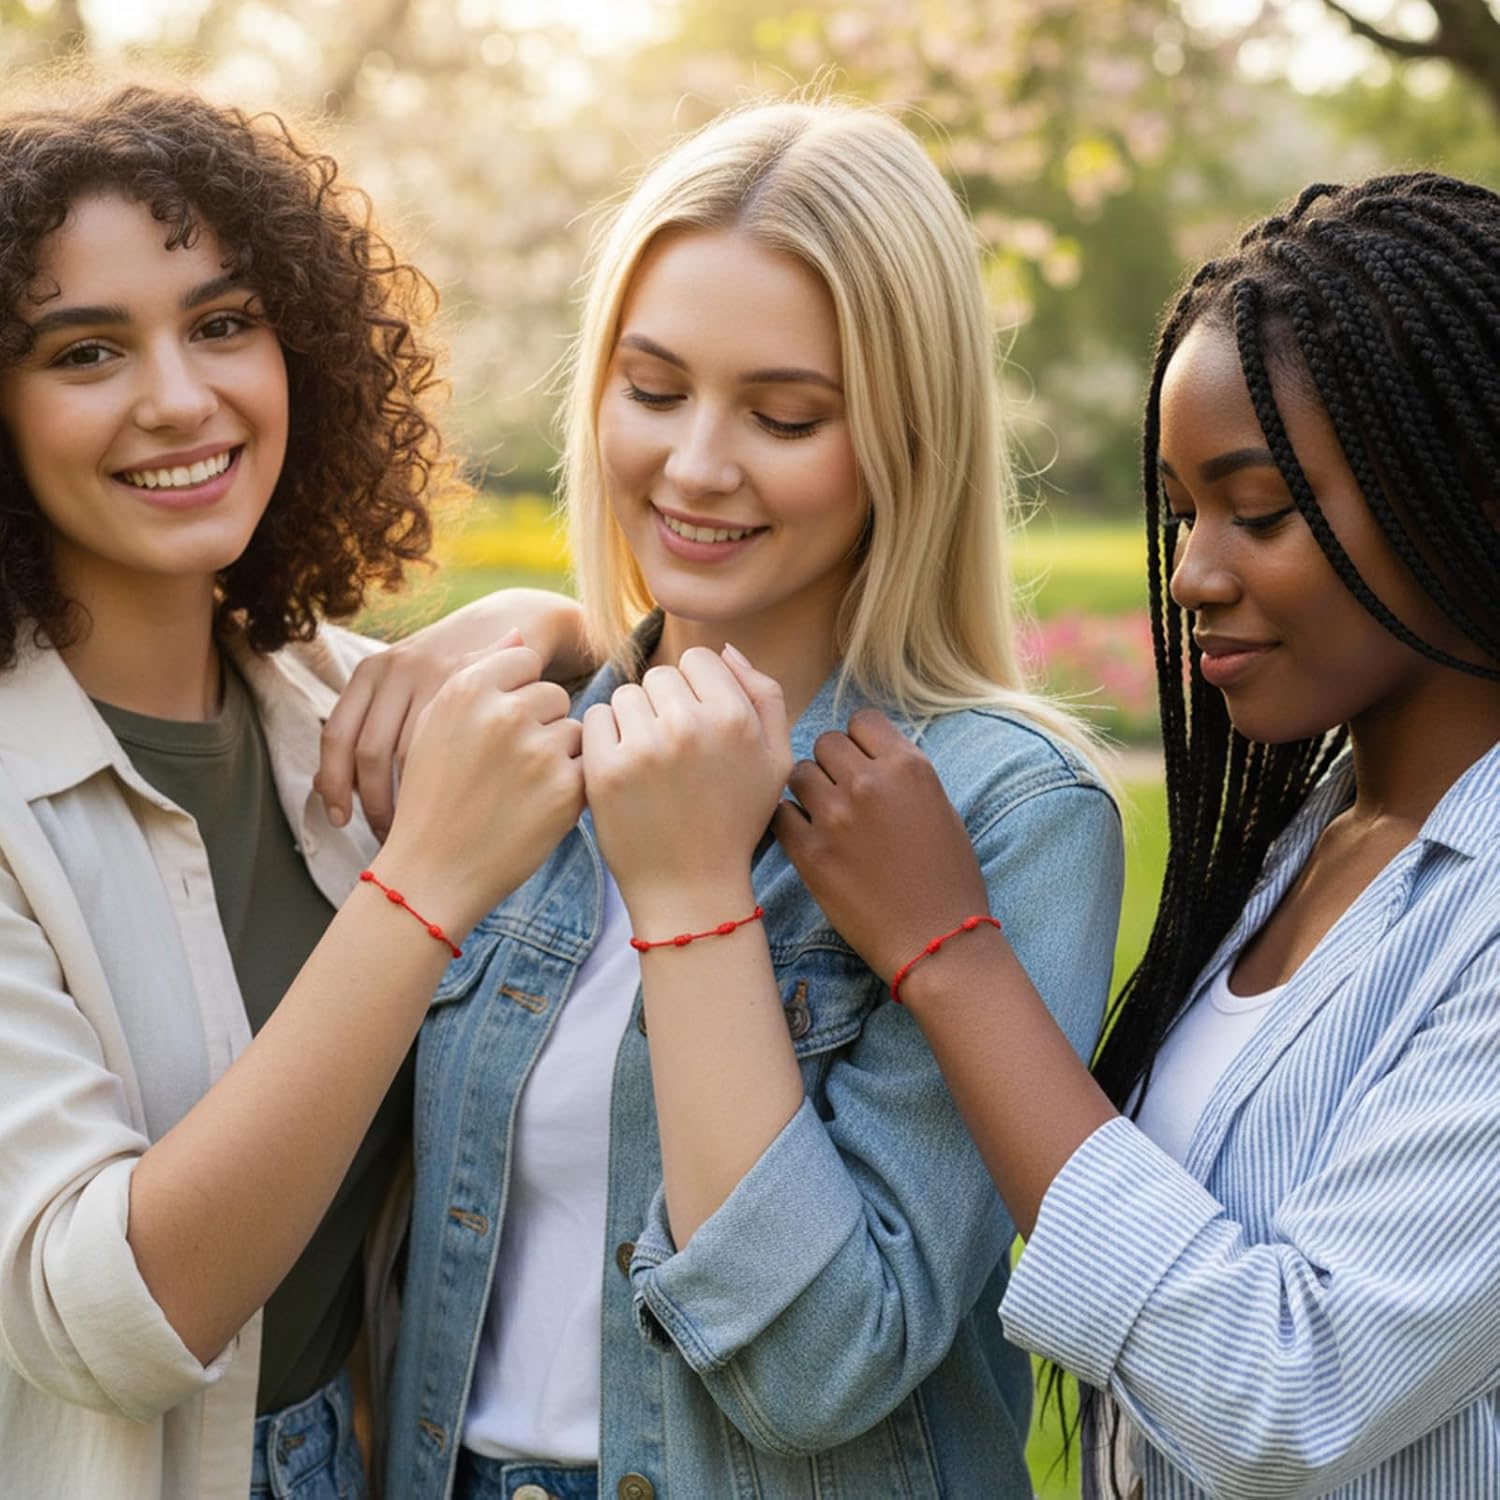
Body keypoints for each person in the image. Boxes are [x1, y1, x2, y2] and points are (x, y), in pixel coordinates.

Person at [386, 98, 1124, 1500]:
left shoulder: (1006, 812)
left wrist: (691, 898)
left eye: (784, 415)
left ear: (907, 438)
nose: (698, 463)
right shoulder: (512, 750)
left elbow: (824, 1369)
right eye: (655, 391)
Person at [775, 172, 1500, 1498]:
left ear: (1469, 489)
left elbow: (1286, 1395)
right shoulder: (1315, 842)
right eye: (1182, 512)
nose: (1191, 573)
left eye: (1260, 511)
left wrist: (950, 956)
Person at [0, 78, 587, 1500]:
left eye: (222, 323)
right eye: (86, 351)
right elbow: (111, 1319)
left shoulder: (334, 706)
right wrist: (423, 887)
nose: (180, 397)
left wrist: (542, 621)